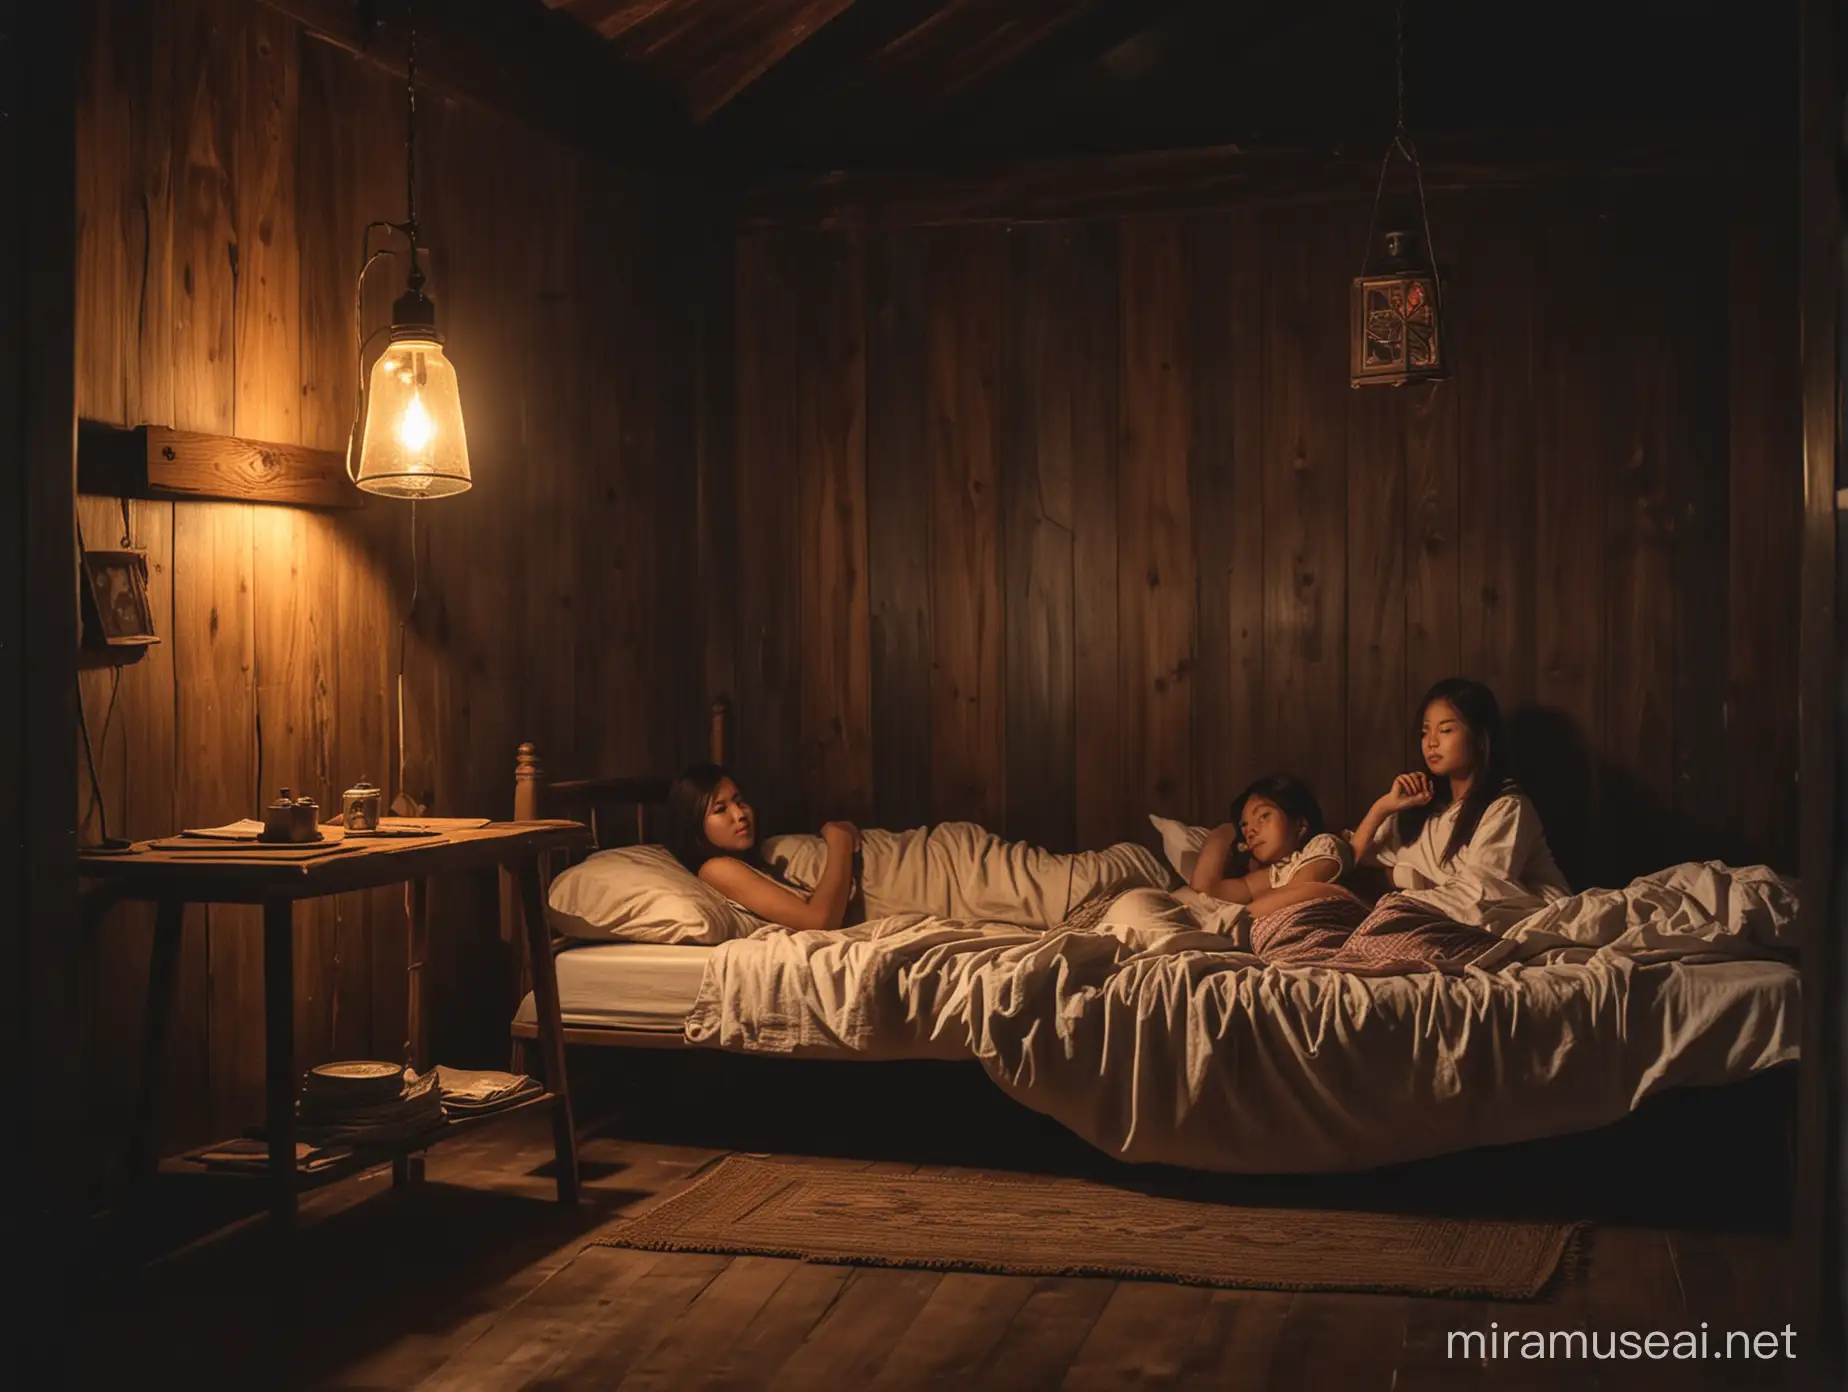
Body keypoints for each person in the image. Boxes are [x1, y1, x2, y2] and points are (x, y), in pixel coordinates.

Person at [1347, 677, 1570, 908]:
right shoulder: (1422, 806)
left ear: (1480, 738)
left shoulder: (1507, 806)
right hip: (1440, 913)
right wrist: (1383, 807)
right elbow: (1352, 859)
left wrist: (1401, 898)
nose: (1431, 742)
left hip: (1520, 915)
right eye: (1425, 732)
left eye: (1445, 730)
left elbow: (1483, 890)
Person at [665, 764, 861, 933]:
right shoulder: (716, 869)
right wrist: (840, 843)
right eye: (720, 809)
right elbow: (819, 922)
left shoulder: (750, 860)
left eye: (739, 801)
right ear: (695, 825)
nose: (740, 813)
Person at [1189, 775, 1355, 917]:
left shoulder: (1324, 845)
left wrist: (1244, 914)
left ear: (1300, 824)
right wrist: (1225, 831)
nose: (1251, 831)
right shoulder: (1275, 873)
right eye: (1245, 825)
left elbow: (1298, 893)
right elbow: (1206, 889)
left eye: (1263, 816)